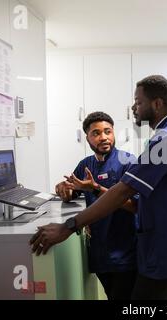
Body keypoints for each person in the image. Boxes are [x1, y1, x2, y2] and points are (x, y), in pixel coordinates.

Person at [31, 75, 167, 300]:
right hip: (163, 244)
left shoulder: (164, 140)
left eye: (138, 102)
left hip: (162, 248)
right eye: (95, 133)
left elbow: (122, 192)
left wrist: (69, 226)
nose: (133, 107)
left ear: (156, 104)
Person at [55, 111, 138, 300]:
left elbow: (134, 206)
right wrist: (64, 190)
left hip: (125, 254)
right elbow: (72, 190)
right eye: (96, 133)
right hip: (100, 254)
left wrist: (95, 188)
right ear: (87, 138)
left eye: (108, 131)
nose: (104, 137)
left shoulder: (128, 162)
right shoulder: (86, 165)